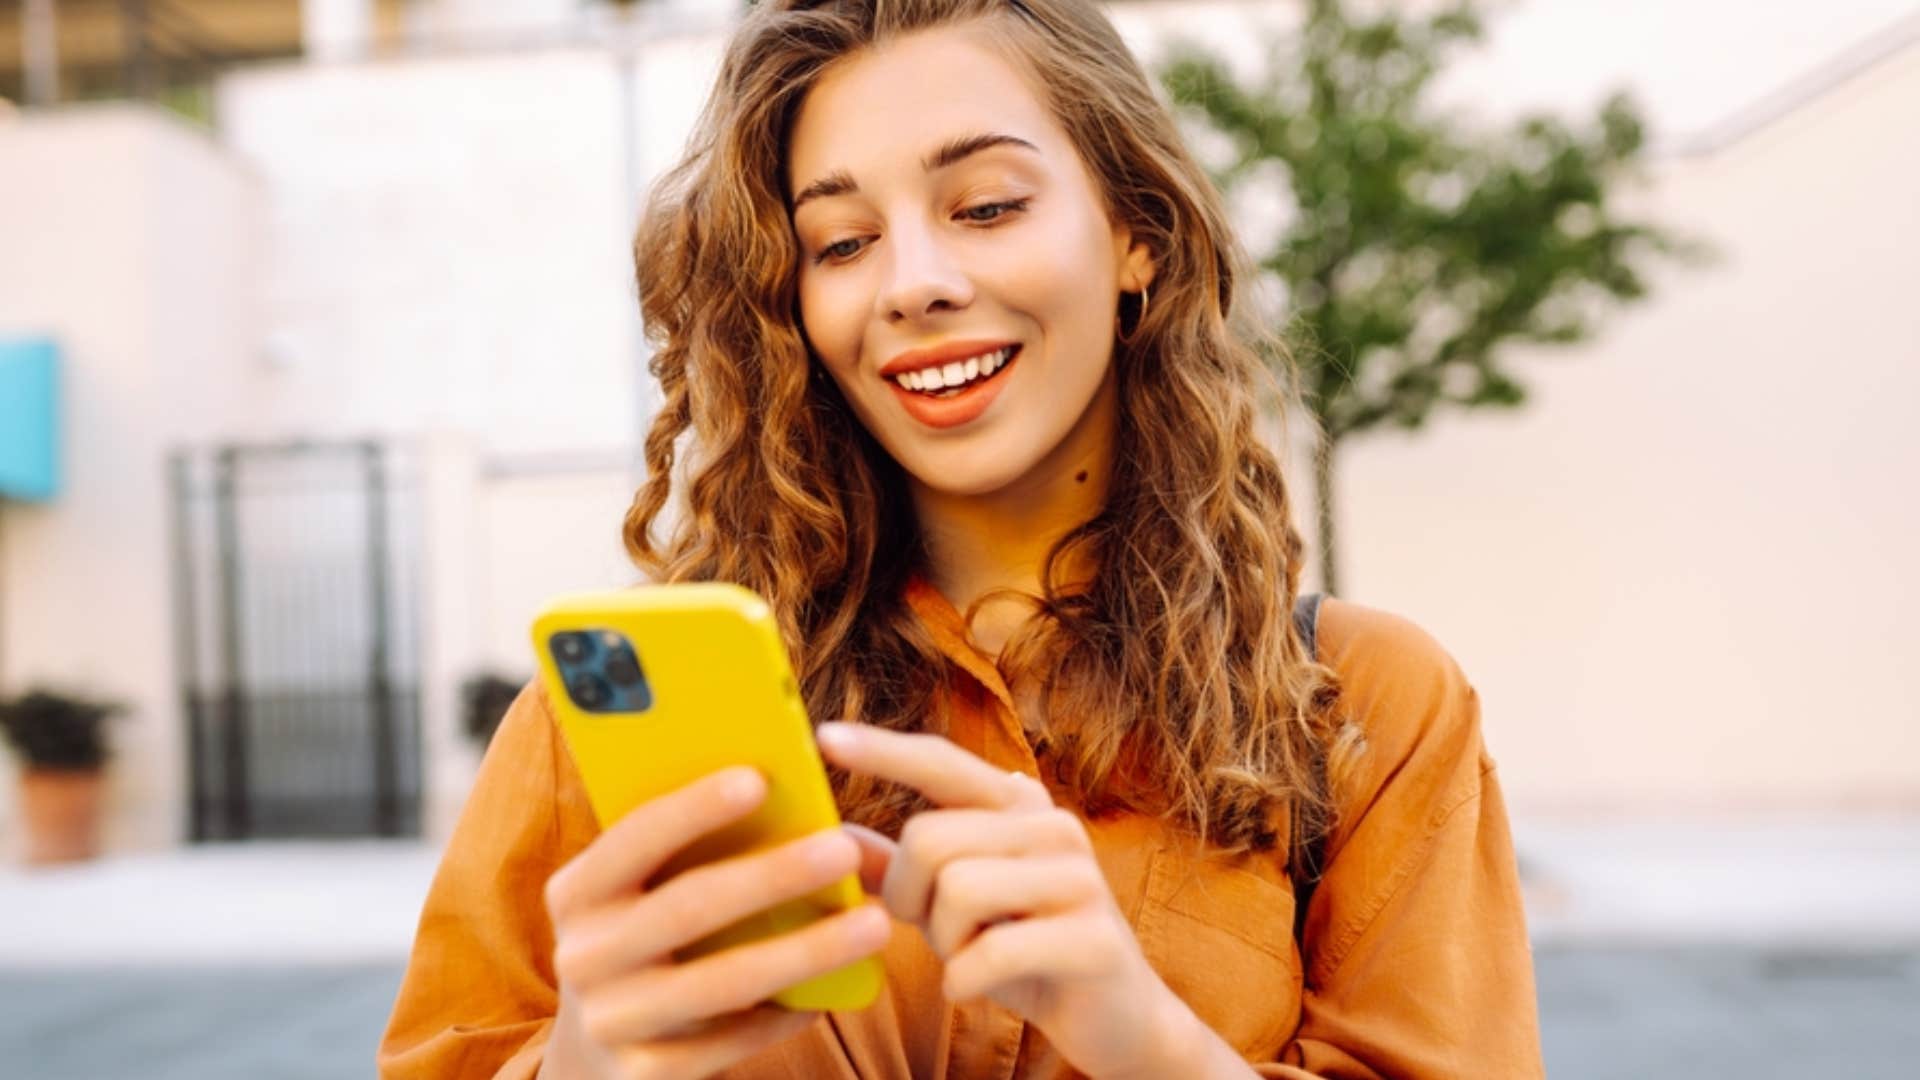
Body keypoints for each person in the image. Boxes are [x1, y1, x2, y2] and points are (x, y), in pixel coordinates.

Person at [378, 1, 1545, 1077]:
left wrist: (1138, 1034)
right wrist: (585, 1061)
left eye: (985, 207)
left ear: (1135, 234)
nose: (913, 284)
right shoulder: (621, 713)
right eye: (839, 242)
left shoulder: (1367, 711)